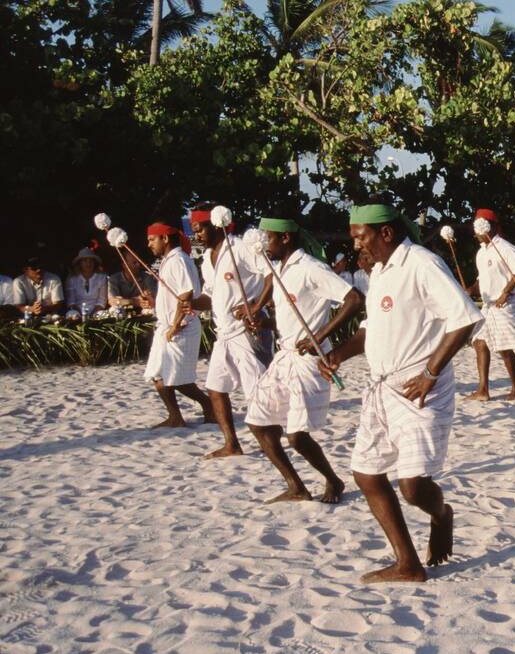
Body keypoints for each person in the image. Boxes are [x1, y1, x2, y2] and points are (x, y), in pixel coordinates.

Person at [322, 202, 482, 582]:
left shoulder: (421, 263)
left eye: (361, 237)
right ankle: (408, 563)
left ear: (386, 233)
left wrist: (430, 372)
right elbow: (369, 330)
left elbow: (464, 318)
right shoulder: (378, 272)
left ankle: (441, 514)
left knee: (412, 487)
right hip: (381, 388)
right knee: (366, 474)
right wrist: (338, 355)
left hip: (420, 388)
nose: (357, 245)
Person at [242, 215, 364, 504]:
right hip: (284, 356)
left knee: (297, 436)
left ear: (285, 238)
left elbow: (355, 299)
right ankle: (295, 485)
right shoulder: (281, 269)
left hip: (309, 359)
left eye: (268, 238)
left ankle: (333, 480)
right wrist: (266, 325)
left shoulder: (310, 267)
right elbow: (291, 321)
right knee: (258, 422)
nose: (264, 244)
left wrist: (318, 335)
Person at [185, 205, 266, 459]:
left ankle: (268, 441)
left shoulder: (239, 247)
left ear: (216, 224)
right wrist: (192, 303)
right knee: (215, 388)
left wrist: (257, 305)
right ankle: (232, 443)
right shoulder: (207, 259)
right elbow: (210, 296)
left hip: (246, 331)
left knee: (256, 391)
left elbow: (271, 274)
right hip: (224, 333)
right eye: (194, 231)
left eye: (200, 229)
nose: (197, 235)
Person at [140, 220, 212, 428]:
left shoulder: (179, 259)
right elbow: (172, 296)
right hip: (168, 325)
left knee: (177, 378)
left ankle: (208, 405)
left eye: (152, 240)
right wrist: (154, 303)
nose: (149, 244)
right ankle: (175, 417)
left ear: (164, 238)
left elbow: (186, 294)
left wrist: (175, 324)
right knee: (158, 374)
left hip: (182, 326)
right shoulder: (169, 260)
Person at [466, 208, 515, 402]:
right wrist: (470, 289)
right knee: (480, 342)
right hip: (488, 305)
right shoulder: (481, 252)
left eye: (479, 227)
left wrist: (505, 292)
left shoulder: (505, 248)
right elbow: (482, 279)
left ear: (489, 227)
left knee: (504, 348)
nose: (476, 232)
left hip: (506, 304)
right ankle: (483, 389)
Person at [66, 248, 108, 316]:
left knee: (103, 315)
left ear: (95, 263)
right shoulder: (72, 279)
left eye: (91, 261)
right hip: (77, 312)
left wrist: (92, 314)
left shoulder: (102, 278)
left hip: (96, 311)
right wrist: (81, 314)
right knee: (71, 314)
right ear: (80, 263)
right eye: (85, 260)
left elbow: (101, 301)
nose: (88, 263)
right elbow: (71, 301)